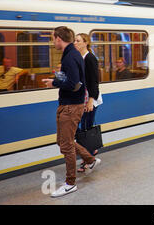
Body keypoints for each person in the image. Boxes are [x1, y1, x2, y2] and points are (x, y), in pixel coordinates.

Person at [42, 26, 100, 198]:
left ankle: (70, 183)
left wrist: (53, 83)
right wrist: (56, 79)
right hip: (67, 103)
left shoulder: (70, 56)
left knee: (66, 145)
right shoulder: (70, 54)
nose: (53, 42)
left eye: (53, 38)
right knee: (62, 141)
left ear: (59, 38)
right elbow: (72, 78)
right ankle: (90, 160)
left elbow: (75, 84)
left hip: (71, 106)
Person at [74, 33, 103, 172]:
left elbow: (94, 81)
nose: (75, 43)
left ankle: (88, 159)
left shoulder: (90, 59)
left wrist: (91, 100)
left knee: (86, 129)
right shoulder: (80, 58)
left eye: (78, 41)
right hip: (83, 99)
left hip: (90, 99)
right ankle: (90, 153)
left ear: (86, 43)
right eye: (75, 40)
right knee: (84, 127)